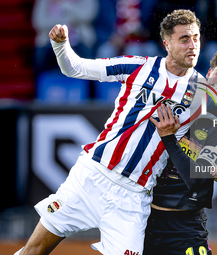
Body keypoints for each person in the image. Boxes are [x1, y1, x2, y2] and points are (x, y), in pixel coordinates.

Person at [16, 9, 206, 255]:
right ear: (166, 43)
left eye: (196, 38)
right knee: (34, 250)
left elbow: (201, 152)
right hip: (92, 177)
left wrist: (175, 139)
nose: (192, 45)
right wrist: (60, 45)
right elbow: (75, 68)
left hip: (133, 198)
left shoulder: (204, 95)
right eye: (184, 39)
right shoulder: (138, 66)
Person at [143, 43, 217, 255]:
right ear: (208, 73)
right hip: (144, 220)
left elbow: (196, 181)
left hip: (184, 228)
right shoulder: (179, 97)